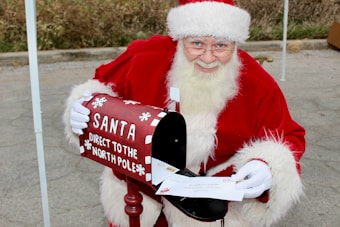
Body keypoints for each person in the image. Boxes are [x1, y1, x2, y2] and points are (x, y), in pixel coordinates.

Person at [63, 0, 306, 226]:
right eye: (197, 44)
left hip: (209, 212)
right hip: (138, 200)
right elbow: (100, 87)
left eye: (221, 45)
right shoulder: (145, 57)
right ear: (180, 38)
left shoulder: (257, 82)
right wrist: (88, 107)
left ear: (235, 43)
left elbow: (288, 137)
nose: (209, 58)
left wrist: (267, 166)